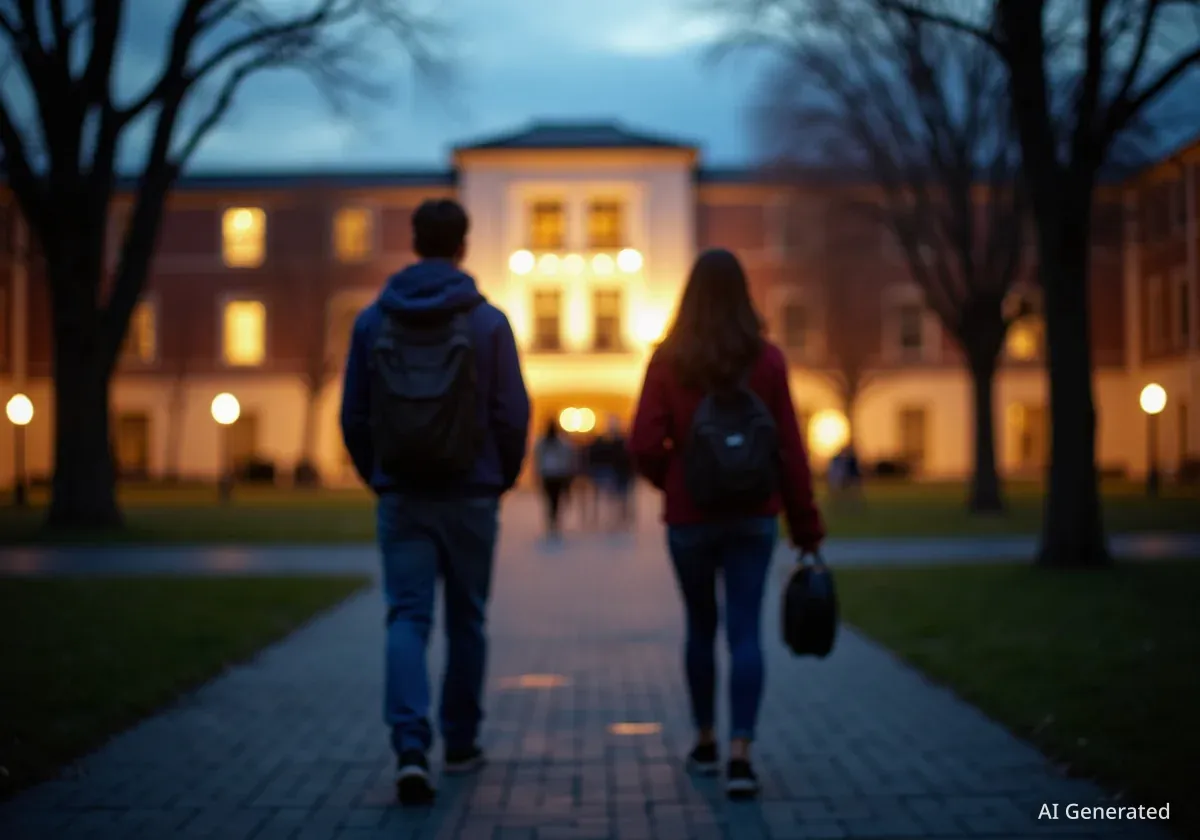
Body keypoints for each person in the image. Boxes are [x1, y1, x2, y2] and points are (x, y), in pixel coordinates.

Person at [340, 198, 530, 806]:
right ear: (463, 246)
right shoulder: (490, 322)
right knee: (467, 618)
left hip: (403, 492)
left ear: (415, 244)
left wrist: (381, 475)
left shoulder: (373, 321)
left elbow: (354, 414)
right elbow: (512, 412)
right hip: (471, 491)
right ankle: (462, 742)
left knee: (407, 616)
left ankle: (410, 747)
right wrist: (498, 476)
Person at [628, 247, 824, 800]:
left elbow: (643, 441)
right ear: (743, 295)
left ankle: (705, 740)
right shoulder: (766, 360)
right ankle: (742, 753)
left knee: (700, 627)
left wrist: (675, 480)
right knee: (745, 632)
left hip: (691, 518)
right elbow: (789, 447)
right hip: (753, 516)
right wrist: (806, 527)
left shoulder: (668, 359)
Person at [587, 416, 633, 529]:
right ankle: (620, 516)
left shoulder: (612, 444)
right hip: (617, 472)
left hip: (618, 472)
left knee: (615, 496)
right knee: (618, 496)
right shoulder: (617, 444)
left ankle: (620, 516)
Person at [534, 418, 577, 539]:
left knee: (551, 499)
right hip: (556, 475)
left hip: (551, 475)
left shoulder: (544, 443)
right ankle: (553, 520)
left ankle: (552, 520)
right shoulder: (560, 443)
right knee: (554, 499)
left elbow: (538, 459)